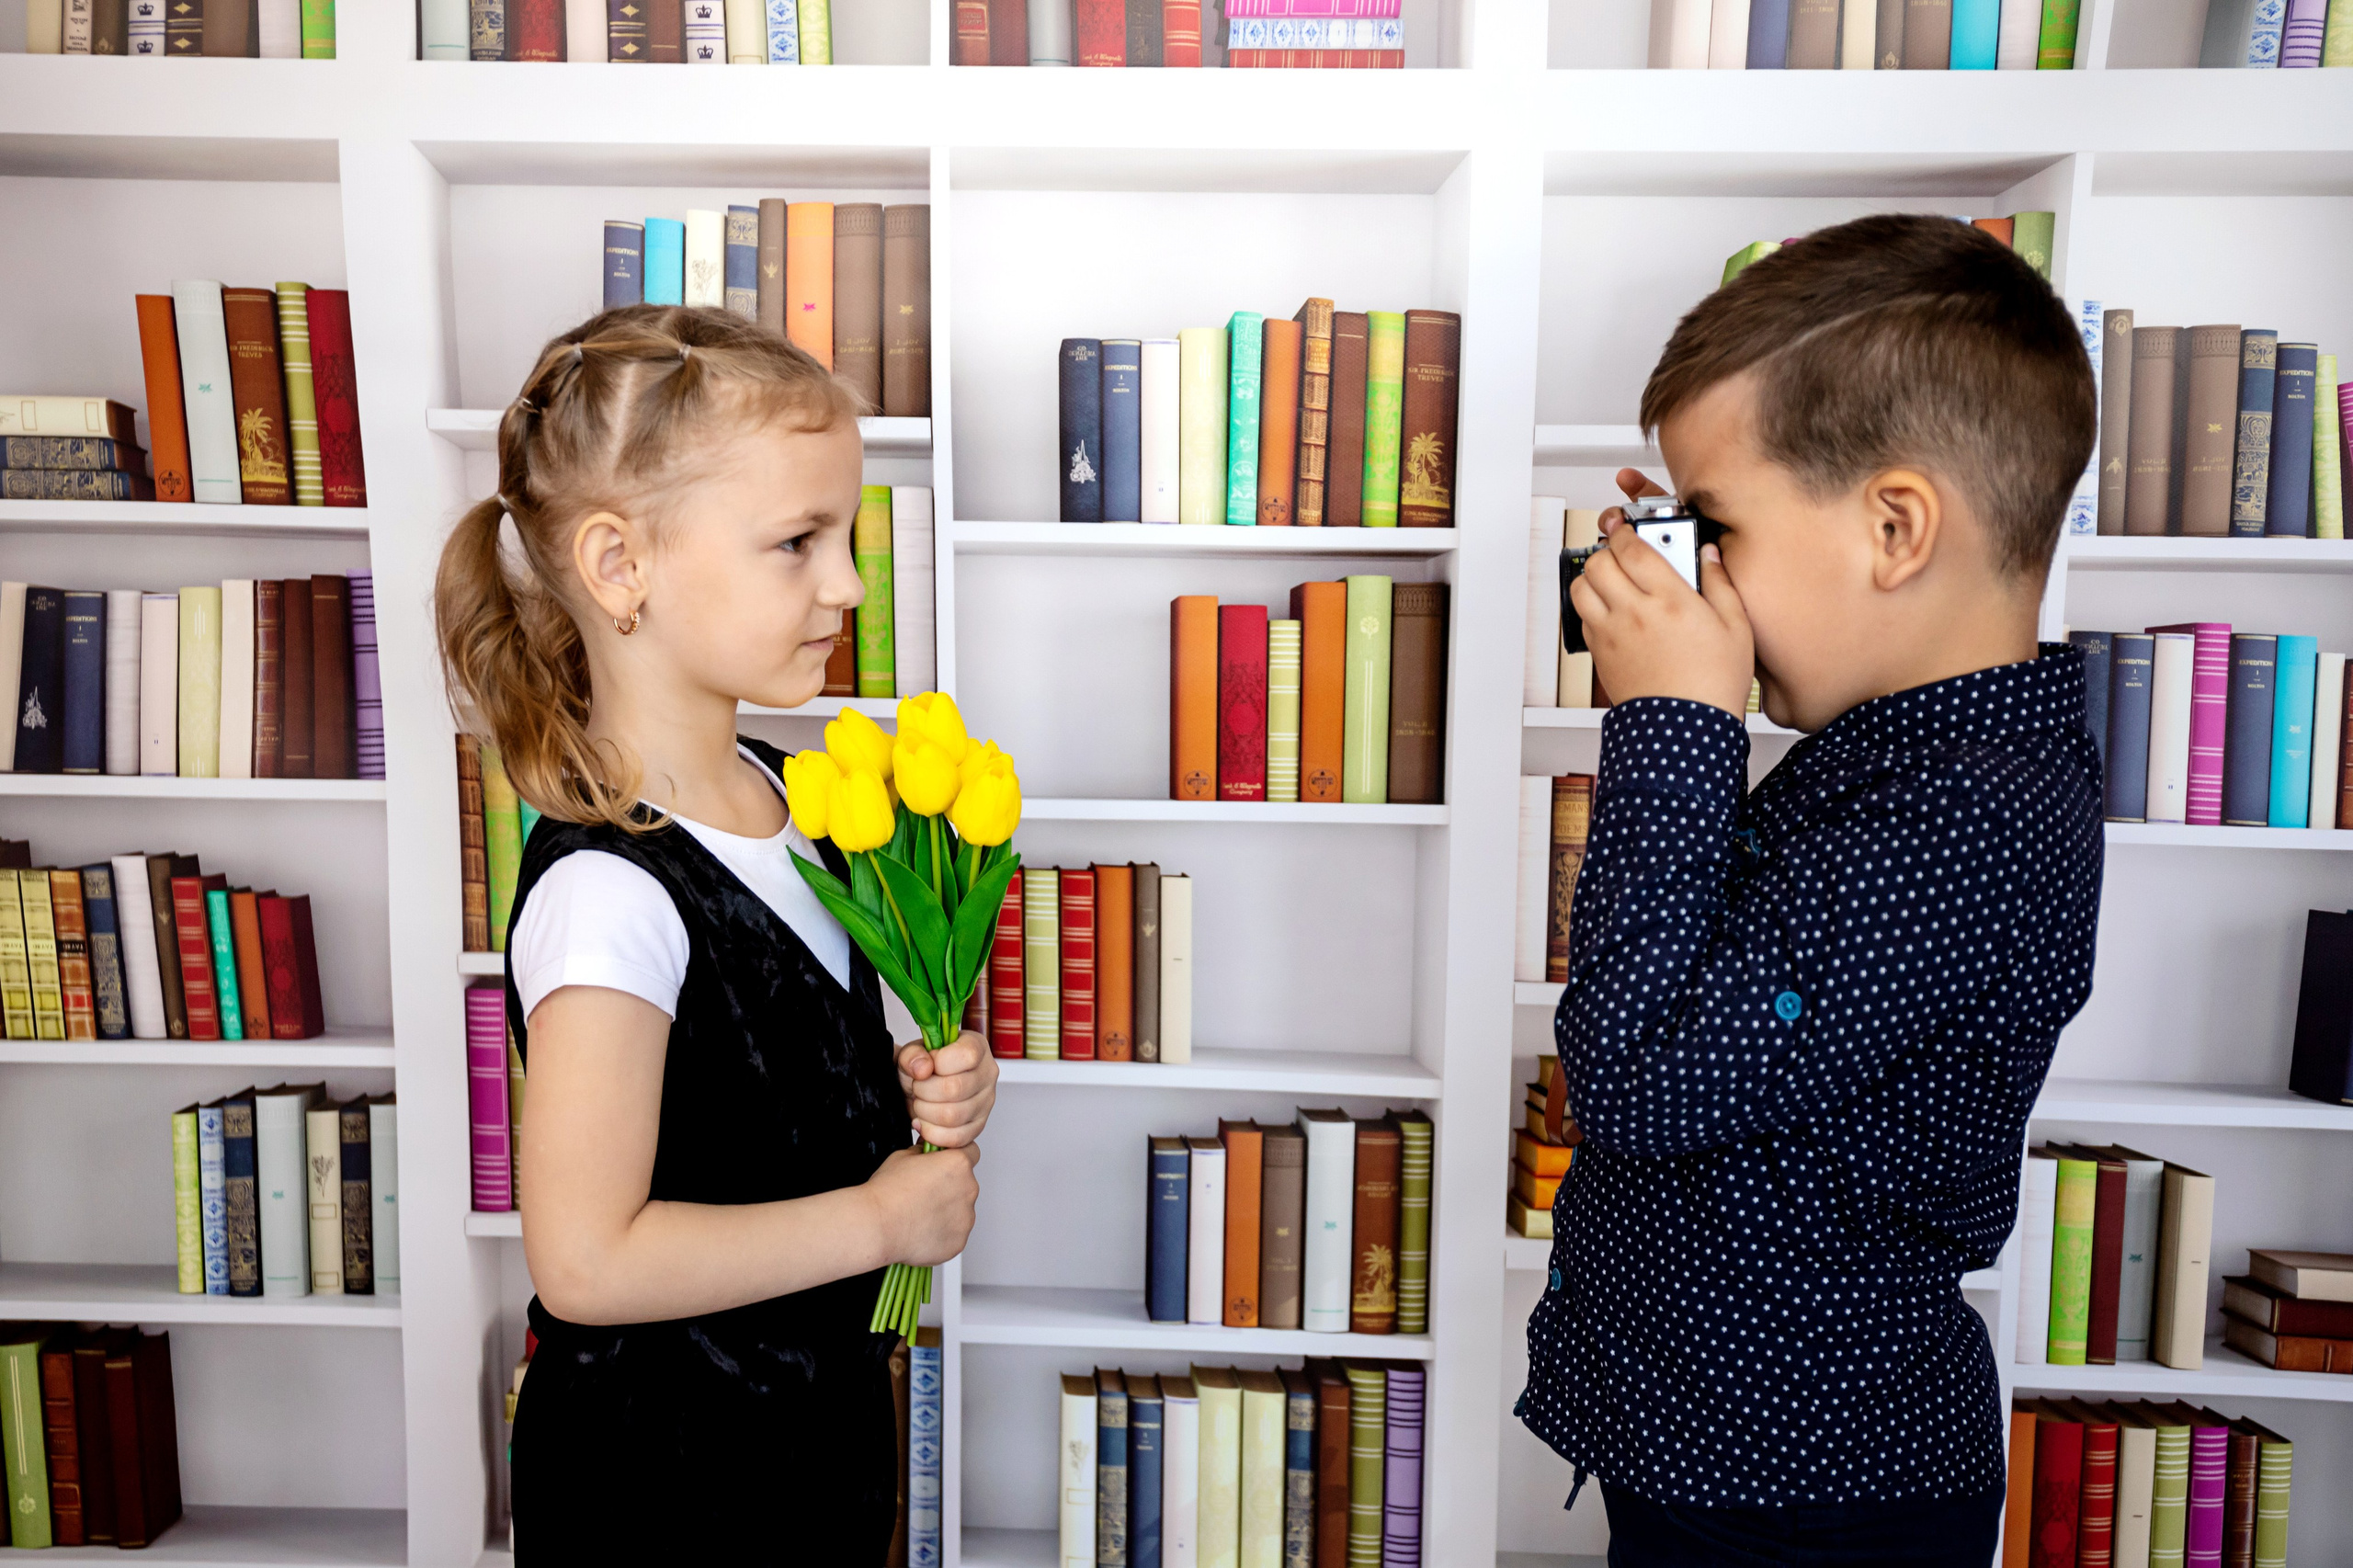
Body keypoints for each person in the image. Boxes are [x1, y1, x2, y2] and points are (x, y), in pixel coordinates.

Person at [1518, 213, 2103, 1565]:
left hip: (1814, 1498)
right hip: (1727, 1455)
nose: (1690, 575)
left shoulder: (1972, 819)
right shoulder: (1893, 767)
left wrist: (1671, 721)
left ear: (1896, 526)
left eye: (1712, 527)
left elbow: (1640, 1070)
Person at [435, 304, 996, 1561]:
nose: (847, 582)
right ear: (621, 565)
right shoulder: (610, 895)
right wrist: (878, 1222)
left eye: (842, 537)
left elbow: (779, 1090)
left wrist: (932, 1088)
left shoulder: (799, 800)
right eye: (797, 543)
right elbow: (584, 1258)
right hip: (667, 1490)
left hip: (811, 1455)